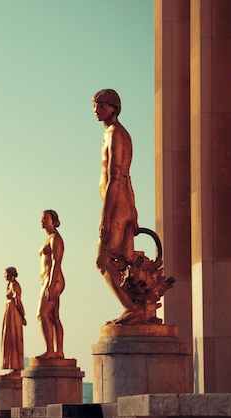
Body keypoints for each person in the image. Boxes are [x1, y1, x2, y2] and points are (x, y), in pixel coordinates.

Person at [92, 89, 141, 324]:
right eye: (95, 106)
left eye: (101, 105)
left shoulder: (115, 134)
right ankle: (137, 310)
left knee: (103, 261)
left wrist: (105, 216)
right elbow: (127, 177)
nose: (96, 110)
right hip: (124, 204)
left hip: (117, 206)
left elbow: (116, 176)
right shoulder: (117, 133)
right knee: (123, 261)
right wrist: (134, 210)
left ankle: (132, 308)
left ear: (114, 107)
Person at [37, 209, 65, 359]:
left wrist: (51, 283)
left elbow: (56, 262)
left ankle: (50, 350)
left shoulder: (55, 238)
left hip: (53, 279)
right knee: (54, 315)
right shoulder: (48, 238)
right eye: (41, 218)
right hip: (48, 279)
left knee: (42, 314)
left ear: (53, 220)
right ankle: (58, 351)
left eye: (45, 218)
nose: (42, 220)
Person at [1, 266, 27, 375]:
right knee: (11, 338)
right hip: (10, 312)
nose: (4, 275)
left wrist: (22, 315)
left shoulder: (15, 285)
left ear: (10, 274)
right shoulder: (10, 285)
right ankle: (13, 365)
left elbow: (18, 301)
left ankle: (16, 366)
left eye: (5, 273)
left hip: (14, 313)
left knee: (14, 338)